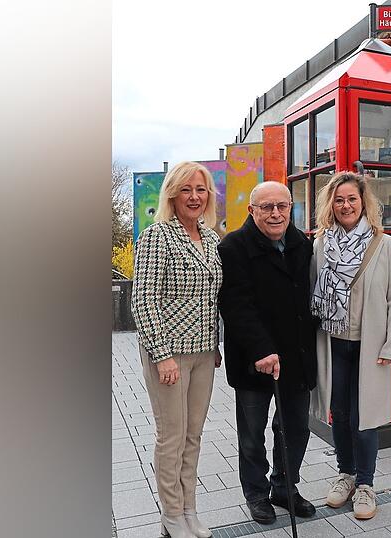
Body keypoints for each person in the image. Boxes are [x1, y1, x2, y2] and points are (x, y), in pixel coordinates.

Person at [217, 181, 319, 524]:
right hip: (254, 360)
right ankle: (257, 494)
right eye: (267, 207)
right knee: (252, 435)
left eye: (282, 206)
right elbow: (236, 305)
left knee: (295, 429)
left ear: (291, 208)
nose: (276, 213)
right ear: (252, 211)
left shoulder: (301, 243)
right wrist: (262, 349)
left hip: (297, 357)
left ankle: (285, 488)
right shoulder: (233, 246)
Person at [309, 171, 391, 520]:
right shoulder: (320, 244)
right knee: (340, 412)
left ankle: (366, 485)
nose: (346, 205)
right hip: (333, 343)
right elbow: (311, 295)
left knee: (364, 416)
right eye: (339, 200)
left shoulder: (384, 244)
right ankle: (345, 475)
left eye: (352, 199)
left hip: (370, 346)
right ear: (331, 205)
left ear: (363, 202)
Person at [131, 161, 222, 538]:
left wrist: (216, 344)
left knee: (193, 435)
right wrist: (162, 354)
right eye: (186, 189)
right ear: (172, 193)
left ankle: (189, 508)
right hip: (168, 354)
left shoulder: (212, 238)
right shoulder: (157, 236)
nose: (194, 197)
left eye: (200, 190)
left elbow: (216, 298)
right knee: (171, 436)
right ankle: (171, 514)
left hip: (204, 353)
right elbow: (143, 300)